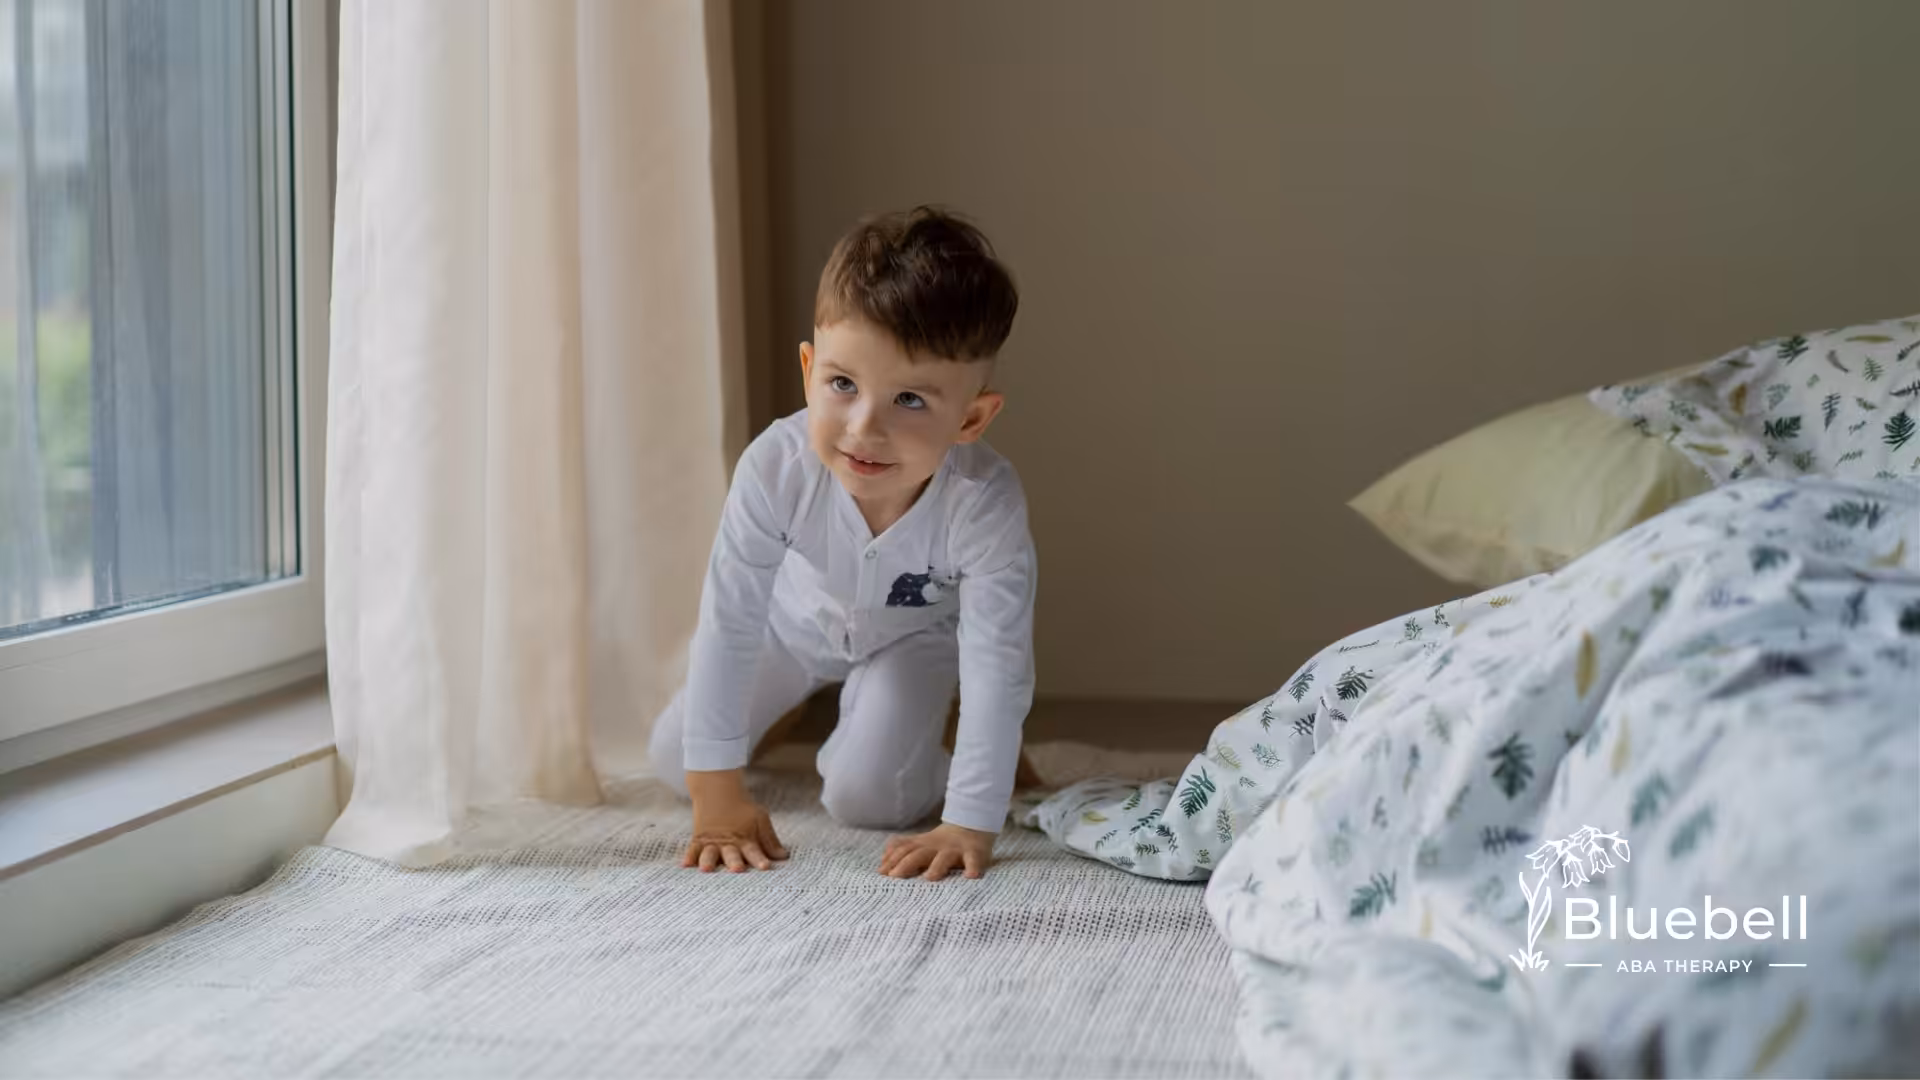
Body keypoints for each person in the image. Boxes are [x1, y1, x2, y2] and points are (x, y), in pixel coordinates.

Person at [649, 206, 1036, 882]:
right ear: (809, 370)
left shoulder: (984, 506)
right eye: (842, 385)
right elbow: (730, 621)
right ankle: (807, 709)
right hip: (793, 626)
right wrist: (718, 798)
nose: (863, 428)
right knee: (673, 760)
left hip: (915, 640)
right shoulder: (776, 468)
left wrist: (971, 816)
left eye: (910, 400)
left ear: (971, 418)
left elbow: (997, 666)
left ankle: (927, 736)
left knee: (867, 797)